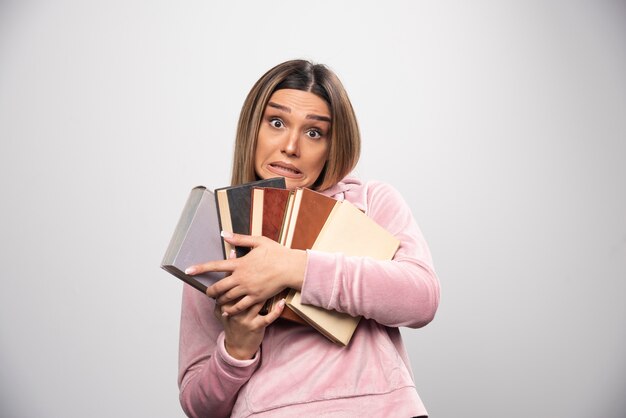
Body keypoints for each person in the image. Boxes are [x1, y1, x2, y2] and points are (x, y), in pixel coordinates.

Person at [179, 59, 440, 418]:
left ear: (334, 146)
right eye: (276, 122)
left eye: (314, 132)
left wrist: (294, 267)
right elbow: (197, 405)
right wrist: (236, 350)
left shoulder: (369, 202)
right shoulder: (217, 230)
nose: (290, 146)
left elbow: (421, 298)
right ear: (252, 129)